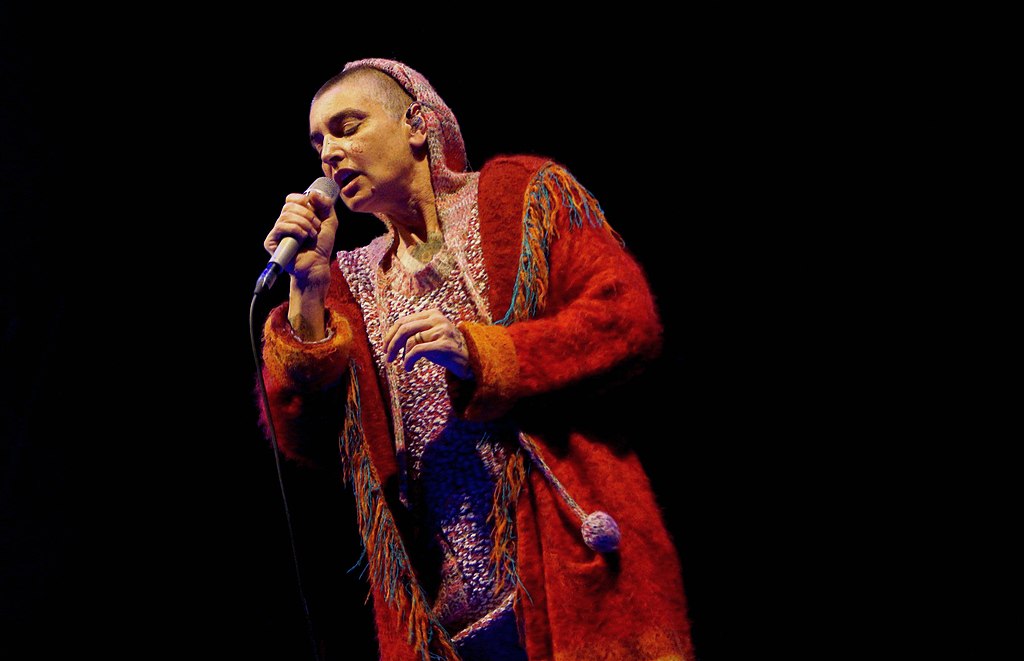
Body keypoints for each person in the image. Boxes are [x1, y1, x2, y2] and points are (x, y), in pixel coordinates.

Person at [255, 57, 696, 661]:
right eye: (318, 143)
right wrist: (306, 291)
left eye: (347, 127)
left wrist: (488, 353)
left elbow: (625, 319)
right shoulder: (349, 281)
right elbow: (305, 439)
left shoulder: (519, 199)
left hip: (569, 573)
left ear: (416, 124)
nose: (329, 154)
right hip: (448, 623)